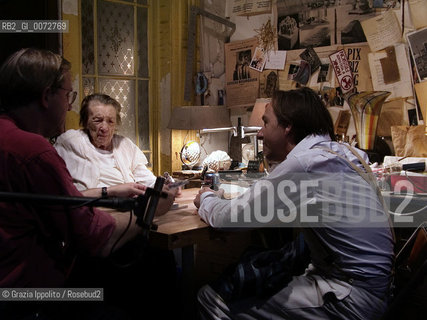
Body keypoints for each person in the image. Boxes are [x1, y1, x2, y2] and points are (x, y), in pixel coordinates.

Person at [0, 48, 175, 320]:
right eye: (67, 95)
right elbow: (94, 237)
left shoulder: (11, 139)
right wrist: (150, 212)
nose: (69, 105)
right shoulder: (34, 151)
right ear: (46, 96)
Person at [194, 87, 395, 320]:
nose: (259, 133)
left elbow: (227, 219)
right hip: (376, 288)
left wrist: (206, 197)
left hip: (351, 297)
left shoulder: (306, 164)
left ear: (287, 127)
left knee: (212, 300)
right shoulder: (343, 152)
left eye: (266, 123)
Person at [54, 93, 156, 192]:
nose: (105, 128)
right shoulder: (70, 142)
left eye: (110, 121)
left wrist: (164, 186)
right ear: (85, 122)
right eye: (98, 120)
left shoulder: (124, 145)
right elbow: (60, 190)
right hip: (88, 207)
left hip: (129, 206)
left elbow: (147, 179)